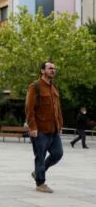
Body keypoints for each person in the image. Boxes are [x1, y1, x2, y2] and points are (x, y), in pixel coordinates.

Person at [25, 62, 63, 193]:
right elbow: (29, 109)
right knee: (40, 156)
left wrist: (60, 125)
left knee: (58, 154)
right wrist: (33, 127)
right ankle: (40, 183)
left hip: (53, 130)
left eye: (54, 68)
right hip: (40, 130)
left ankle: (37, 172)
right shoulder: (34, 87)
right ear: (42, 71)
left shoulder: (54, 88)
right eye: (50, 68)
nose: (53, 70)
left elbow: (58, 109)